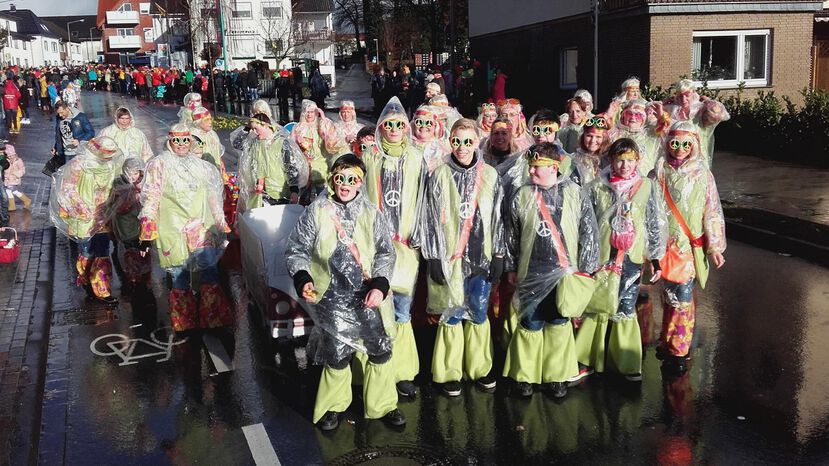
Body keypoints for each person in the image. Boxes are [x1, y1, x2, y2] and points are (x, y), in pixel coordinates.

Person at [285, 153, 405, 431]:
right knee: (337, 353)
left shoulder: (372, 213)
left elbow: (386, 253)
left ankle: (384, 404)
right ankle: (334, 406)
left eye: (353, 179)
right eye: (341, 178)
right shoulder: (317, 210)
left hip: (367, 294)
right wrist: (303, 277)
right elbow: (296, 249)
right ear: (332, 179)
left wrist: (380, 284)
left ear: (361, 182)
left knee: (379, 349)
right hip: (331, 295)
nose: (346, 184)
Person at [502, 142, 599, 398]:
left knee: (558, 321)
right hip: (530, 271)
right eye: (531, 167)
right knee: (529, 322)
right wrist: (510, 266)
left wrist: (587, 269)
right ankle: (525, 376)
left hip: (564, 274)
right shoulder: (522, 194)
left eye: (538, 167)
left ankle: (556, 376)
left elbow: (589, 232)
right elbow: (511, 234)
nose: (532, 172)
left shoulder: (575, 193)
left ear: (555, 167)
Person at [419, 118, 504, 396]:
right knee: (452, 313)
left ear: (478, 141)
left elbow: (498, 217)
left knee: (479, 312)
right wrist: (432, 256)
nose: (463, 147)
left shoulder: (490, 174)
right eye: (457, 141)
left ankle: (479, 368)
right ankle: (449, 371)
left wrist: (499, 253)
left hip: (481, 255)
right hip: (449, 258)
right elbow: (429, 218)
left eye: (469, 141)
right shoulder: (439, 174)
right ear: (450, 141)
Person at [574, 138, 667, 383]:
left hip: (631, 257)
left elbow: (655, 221)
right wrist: (584, 259)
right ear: (611, 160)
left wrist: (657, 257)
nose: (624, 165)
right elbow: (586, 224)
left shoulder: (647, 186)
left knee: (626, 305)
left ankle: (627, 363)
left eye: (630, 160)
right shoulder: (596, 187)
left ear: (637, 161)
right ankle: (587, 358)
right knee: (598, 305)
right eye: (619, 160)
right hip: (602, 256)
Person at [138, 124, 233, 333]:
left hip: (201, 229)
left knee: (209, 271)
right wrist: (146, 231)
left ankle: (212, 318)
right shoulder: (159, 165)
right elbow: (151, 198)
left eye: (185, 140)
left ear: (191, 141)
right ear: (170, 141)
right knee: (179, 275)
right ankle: (185, 322)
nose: (181, 145)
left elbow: (214, 198)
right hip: (172, 231)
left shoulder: (202, 167)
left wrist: (220, 223)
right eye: (177, 140)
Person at [364, 97, 426, 398]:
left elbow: (425, 201)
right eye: (388, 124)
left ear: (406, 128)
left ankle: (402, 371)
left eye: (399, 124)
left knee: (402, 309)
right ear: (381, 127)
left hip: (406, 247)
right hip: (375, 249)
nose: (393, 128)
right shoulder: (370, 157)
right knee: (376, 309)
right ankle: (380, 369)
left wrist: (420, 237)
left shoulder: (416, 158)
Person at [654, 121, 726, 375]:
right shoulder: (659, 171)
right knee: (669, 295)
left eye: (686, 144)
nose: (680, 149)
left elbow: (712, 211)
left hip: (690, 246)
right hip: (665, 246)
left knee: (683, 298)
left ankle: (679, 349)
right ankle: (667, 340)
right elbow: (651, 212)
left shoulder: (703, 175)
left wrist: (715, 246)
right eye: (675, 143)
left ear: (694, 144)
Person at [49, 137, 123, 304]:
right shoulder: (78, 164)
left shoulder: (110, 165)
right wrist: (82, 208)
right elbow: (67, 189)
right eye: (106, 154)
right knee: (87, 253)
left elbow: (113, 186)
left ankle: (103, 289)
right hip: (83, 218)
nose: (109, 158)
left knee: (102, 253)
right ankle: (87, 283)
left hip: (102, 217)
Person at [237, 113, 307, 211]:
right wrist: (247, 128)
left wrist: (294, 191)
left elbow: (291, 168)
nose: (255, 132)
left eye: (256, 129)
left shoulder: (282, 143)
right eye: (252, 129)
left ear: (265, 125)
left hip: (280, 194)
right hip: (260, 194)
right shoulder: (255, 143)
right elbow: (237, 144)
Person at [107, 157, 152, 289]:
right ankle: (132, 278)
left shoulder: (143, 185)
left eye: (136, 173)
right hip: (126, 227)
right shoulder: (119, 184)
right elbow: (117, 206)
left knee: (143, 252)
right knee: (129, 254)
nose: (133, 176)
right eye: (131, 173)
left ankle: (143, 276)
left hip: (140, 227)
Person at [292, 100, 347, 195]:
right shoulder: (298, 127)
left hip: (320, 163)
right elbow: (292, 147)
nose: (309, 115)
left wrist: (323, 116)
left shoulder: (320, 125)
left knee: (322, 193)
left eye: (312, 112)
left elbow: (330, 137)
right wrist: (297, 141)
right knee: (304, 193)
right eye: (307, 112)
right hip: (304, 165)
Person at [607, 99, 670, 176]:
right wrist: (607, 116)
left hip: (645, 181)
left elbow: (667, 132)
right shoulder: (615, 133)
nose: (633, 118)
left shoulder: (651, 133)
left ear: (644, 118)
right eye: (629, 114)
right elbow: (598, 132)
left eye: (638, 115)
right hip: (618, 181)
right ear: (623, 116)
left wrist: (661, 117)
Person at [570, 114, 611, 186]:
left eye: (598, 137)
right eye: (589, 136)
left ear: (604, 138)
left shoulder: (610, 159)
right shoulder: (574, 158)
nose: (592, 141)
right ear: (583, 136)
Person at [410, 105, 450, 173]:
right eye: (419, 122)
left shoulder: (442, 151)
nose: (423, 126)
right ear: (413, 125)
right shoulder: (406, 146)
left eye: (429, 123)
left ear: (435, 126)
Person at [53, 101, 95, 166]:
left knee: (80, 174)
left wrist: (79, 140)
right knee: (69, 175)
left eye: (61, 112)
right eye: (58, 113)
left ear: (67, 108)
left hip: (79, 152)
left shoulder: (80, 117)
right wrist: (56, 147)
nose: (60, 115)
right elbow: (60, 135)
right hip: (67, 153)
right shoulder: (59, 118)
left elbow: (91, 132)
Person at [3, 145, 29, 210]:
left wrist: (16, 174)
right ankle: (26, 200)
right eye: (9, 156)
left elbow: (22, 170)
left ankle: (12, 206)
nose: (11, 157)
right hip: (7, 180)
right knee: (15, 191)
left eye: (12, 155)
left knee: (9, 191)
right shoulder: (6, 161)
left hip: (14, 179)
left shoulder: (18, 161)